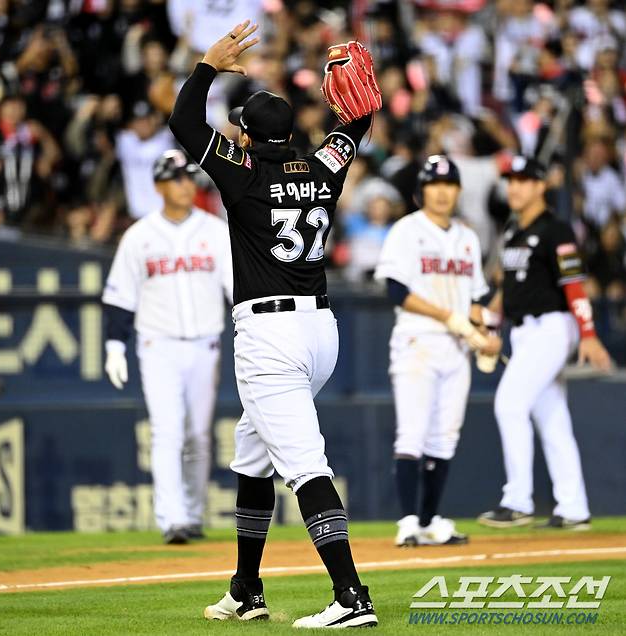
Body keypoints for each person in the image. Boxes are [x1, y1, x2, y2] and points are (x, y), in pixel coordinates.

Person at [168, 22, 381, 628]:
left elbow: (185, 123)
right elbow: (355, 123)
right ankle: (246, 588)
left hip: (270, 338)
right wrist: (362, 108)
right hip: (320, 334)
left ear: (244, 135)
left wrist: (208, 65)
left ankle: (350, 596)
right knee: (253, 458)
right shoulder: (321, 168)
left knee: (305, 465)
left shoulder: (244, 174)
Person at [102, 149, 233, 544]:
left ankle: (192, 514)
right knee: (167, 432)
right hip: (157, 344)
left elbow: (236, 290)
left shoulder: (215, 230)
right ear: (159, 185)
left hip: (205, 344)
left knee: (198, 435)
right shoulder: (139, 236)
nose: (185, 185)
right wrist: (113, 345)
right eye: (177, 178)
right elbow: (119, 297)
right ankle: (171, 518)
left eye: (189, 178)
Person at [478, 156, 612, 530]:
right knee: (552, 418)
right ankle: (573, 508)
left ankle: (518, 500)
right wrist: (490, 322)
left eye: (523, 180)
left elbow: (573, 284)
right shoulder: (512, 230)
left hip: (552, 327)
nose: (515, 187)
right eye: (511, 180)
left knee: (509, 404)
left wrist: (588, 333)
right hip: (524, 331)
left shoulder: (557, 230)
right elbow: (509, 288)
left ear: (540, 185)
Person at [374, 155, 501, 548]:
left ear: (458, 191)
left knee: (444, 437)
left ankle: (429, 521)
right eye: (434, 184)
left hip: (457, 348)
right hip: (418, 340)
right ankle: (409, 521)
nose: (442, 191)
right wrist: (450, 316)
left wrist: (487, 329)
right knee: (412, 434)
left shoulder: (466, 237)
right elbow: (396, 291)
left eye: (449, 184)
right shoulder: (406, 231)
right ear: (420, 192)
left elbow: (478, 298)